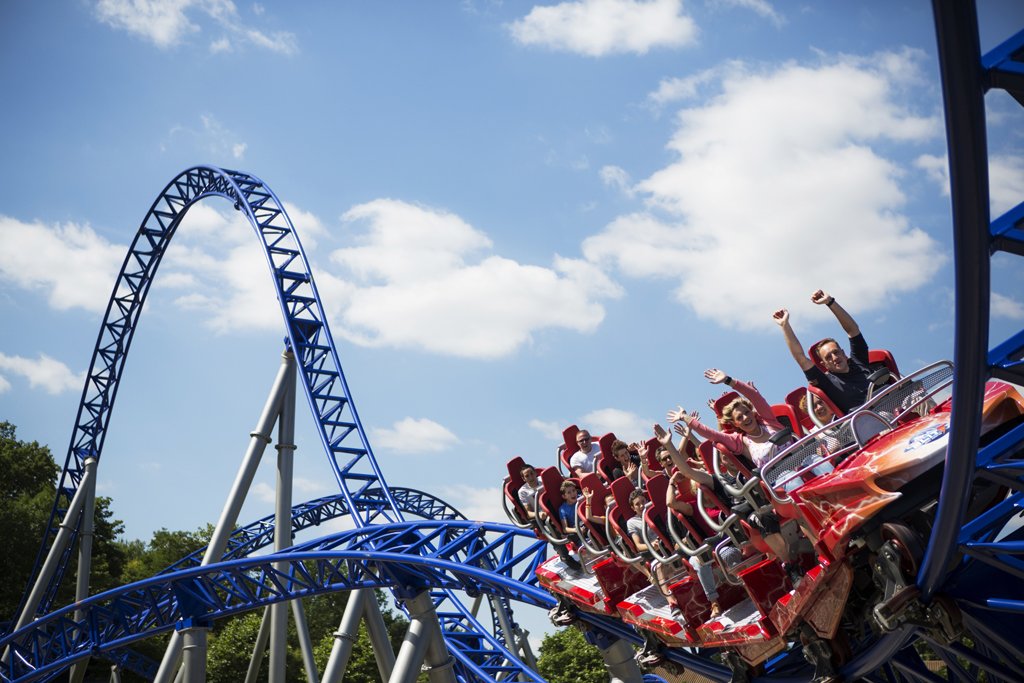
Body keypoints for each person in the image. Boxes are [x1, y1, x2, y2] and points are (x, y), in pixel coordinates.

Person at [654, 424, 742, 619]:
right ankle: (714, 602)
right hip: (711, 544)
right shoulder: (690, 504)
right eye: (696, 484)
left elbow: (691, 467)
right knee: (701, 560)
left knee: (727, 552)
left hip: (732, 532)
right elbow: (670, 502)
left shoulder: (709, 487)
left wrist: (687, 440)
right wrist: (671, 482)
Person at [773, 290, 876, 413]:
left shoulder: (859, 361)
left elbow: (853, 330)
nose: (834, 357)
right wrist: (785, 325)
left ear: (843, 353)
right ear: (824, 365)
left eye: (836, 352)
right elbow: (800, 358)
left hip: (893, 402)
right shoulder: (827, 382)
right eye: (828, 357)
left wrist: (830, 302)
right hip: (868, 421)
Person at [518, 464, 582, 573]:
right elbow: (528, 513)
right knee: (552, 525)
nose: (531, 477)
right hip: (542, 515)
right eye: (527, 476)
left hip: (555, 506)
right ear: (524, 479)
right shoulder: (523, 492)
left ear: (535, 473)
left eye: (532, 473)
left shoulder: (543, 481)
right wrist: (539, 514)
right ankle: (564, 555)